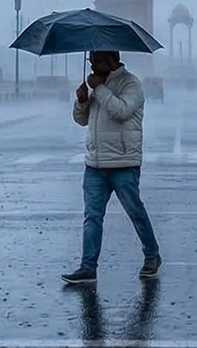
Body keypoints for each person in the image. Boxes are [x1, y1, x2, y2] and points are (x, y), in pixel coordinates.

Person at [63, 49, 162, 285]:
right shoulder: (98, 84)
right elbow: (82, 120)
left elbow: (122, 111)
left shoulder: (131, 83)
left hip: (123, 162)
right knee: (92, 217)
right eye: (91, 60)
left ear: (112, 60)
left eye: (97, 61)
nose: (92, 65)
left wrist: (99, 89)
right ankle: (88, 267)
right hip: (95, 162)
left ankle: (152, 256)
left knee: (135, 212)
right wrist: (81, 101)